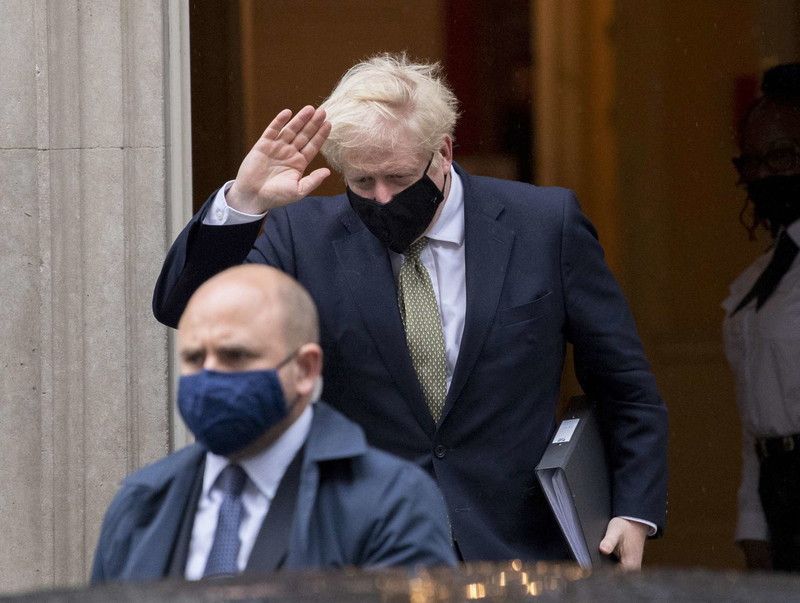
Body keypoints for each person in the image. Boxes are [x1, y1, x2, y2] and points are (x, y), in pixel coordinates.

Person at [154, 54, 668, 569]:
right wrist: (245, 201)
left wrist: (633, 510)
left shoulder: (544, 225)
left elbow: (624, 384)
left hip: (518, 551)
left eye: (398, 178)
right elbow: (187, 308)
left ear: (442, 152)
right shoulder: (302, 238)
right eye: (362, 182)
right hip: (365, 554)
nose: (381, 199)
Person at [92, 264, 456, 583]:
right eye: (194, 357)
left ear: (305, 369)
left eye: (235, 355)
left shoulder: (391, 502)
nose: (210, 375)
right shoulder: (141, 505)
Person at [724, 62, 800, 572]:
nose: (766, 175)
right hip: (778, 491)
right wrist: (752, 524)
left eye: (782, 156)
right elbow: (755, 426)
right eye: (752, 162)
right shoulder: (756, 281)